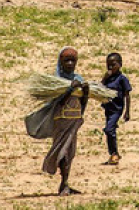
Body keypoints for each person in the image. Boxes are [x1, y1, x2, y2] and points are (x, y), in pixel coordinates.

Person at [43, 47, 90, 196]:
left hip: (74, 120)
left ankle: (65, 183)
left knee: (70, 153)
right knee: (62, 152)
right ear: (60, 62)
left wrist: (86, 93)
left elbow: (82, 103)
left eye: (73, 61)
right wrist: (69, 90)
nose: (70, 64)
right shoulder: (57, 81)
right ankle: (63, 185)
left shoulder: (79, 79)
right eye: (66, 61)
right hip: (61, 121)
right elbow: (58, 103)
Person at [101, 52, 132, 165]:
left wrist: (127, 112)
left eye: (113, 65)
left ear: (120, 64)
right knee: (110, 131)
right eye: (108, 65)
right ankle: (113, 153)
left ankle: (114, 153)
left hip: (117, 109)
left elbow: (127, 95)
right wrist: (104, 78)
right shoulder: (108, 78)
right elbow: (100, 88)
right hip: (108, 108)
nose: (110, 68)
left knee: (109, 130)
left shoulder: (122, 79)